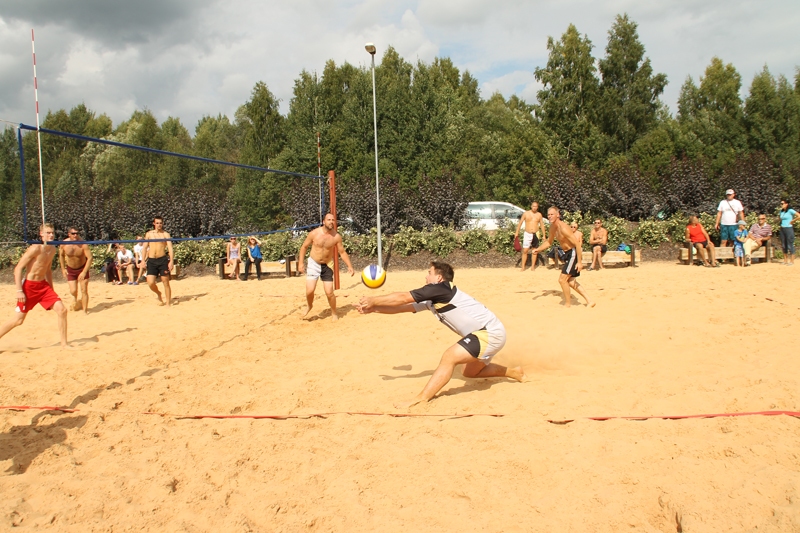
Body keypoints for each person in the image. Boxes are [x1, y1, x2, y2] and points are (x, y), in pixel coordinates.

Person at [357, 261, 527, 408]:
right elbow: (404, 307)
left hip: (488, 332)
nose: (426, 277)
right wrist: (375, 309)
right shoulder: (434, 296)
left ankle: (422, 398)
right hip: (487, 333)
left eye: (429, 273)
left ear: (439, 277)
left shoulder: (441, 289)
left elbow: (402, 298)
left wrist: (374, 299)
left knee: (449, 357)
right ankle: (514, 372)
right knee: (470, 373)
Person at [0, 223, 69, 348]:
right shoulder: (35, 248)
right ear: (41, 234)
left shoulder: (52, 249)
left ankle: (64, 344)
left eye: (52, 232)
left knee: (62, 310)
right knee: (18, 320)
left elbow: (48, 270)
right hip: (29, 287)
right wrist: (19, 291)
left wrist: (51, 289)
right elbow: (18, 269)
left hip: (43, 286)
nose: (51, 235)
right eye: (48, 232)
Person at [532, 207, 595, 308]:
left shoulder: (564, 228)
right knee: (570, 281)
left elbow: (577, 245)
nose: (549, 216)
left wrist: (579, 262)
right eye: (548, 215)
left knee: (562, 280)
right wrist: (538, 249)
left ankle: (568, 304)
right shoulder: (553, 227)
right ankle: (590, 301)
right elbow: (549, 242)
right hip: (567, 254)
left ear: (558, 215)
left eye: (552, 214)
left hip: (573, 253)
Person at [298, 213, 355, 321]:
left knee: (329, 292)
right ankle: (309, 305)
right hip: (313, 263)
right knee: (310, 291)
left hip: (327, 265)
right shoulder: (314, 234)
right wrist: (300, 263)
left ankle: (334, 313)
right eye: (329, 220)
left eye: (333, 220)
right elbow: (304, 247)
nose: (331, 222)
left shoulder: (336, 236)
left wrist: (349, 266)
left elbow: (342, 252)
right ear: (324, 221)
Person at [58, 226, 93, 313]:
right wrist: (63, 269)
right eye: (73, 234)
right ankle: (76, 300)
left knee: (84, 289)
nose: (75, 235)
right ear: (69, 234)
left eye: (77, 233)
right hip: (71, 269)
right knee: (73, 290)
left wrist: (84, 272)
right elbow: (61, 256)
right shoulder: (64, 244)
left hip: (82, 268)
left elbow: (90, 258)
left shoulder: (83, 244)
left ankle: (85, 310)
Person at [141, 216, 174, 306]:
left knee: (165, 281)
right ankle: (159, 293)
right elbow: (144, 248)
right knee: (150, 282)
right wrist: (143, 260)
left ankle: (168, 302)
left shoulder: (165, 234)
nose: (159, 225)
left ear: (162, 224)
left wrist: (171, 261)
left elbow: (170, 248)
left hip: (162, 259)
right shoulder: (149, 234)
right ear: (154, 223)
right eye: (157, 223)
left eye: (160, 223)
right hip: (151, 260)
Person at [514, 201, 546, 271]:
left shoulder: (539, 215)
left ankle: (532, 267)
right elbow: (520, 223)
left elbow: (542, 225)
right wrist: (517, 232)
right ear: (531, 206)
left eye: (536, 206)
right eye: (533, 206)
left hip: (536, 233)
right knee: (525, 250)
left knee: (535, 250)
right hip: (527, 233)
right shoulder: (526, 213)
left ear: (537, 207)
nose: (534, 208)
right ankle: (523, 267)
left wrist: (544, 235)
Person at [778, 199, 800, 265]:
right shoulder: (781, 212)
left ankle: (792, 261)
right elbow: (780, 219)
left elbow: (799, 216)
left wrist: (793, 221)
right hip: (782, 228)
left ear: (786, 204)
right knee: (784, 245)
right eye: (781, 204)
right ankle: (785, 260)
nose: (781, 205)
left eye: (782, 203)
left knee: (790, 244)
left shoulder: (790, 211)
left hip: (789, 228)